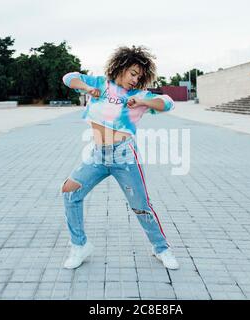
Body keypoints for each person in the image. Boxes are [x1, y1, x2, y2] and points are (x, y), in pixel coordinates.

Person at [61, 45, 179, 270]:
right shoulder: (99, 84)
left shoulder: (137, 96)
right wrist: (87, 88)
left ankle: (161, 248)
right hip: (97, 155)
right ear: (120, 67)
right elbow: (69, 78)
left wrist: (144, 102)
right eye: (133, 73)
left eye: (139, 77)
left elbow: (167, 103)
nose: (135, 80)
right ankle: (79, 246)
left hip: (124, 157)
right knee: (69, 191)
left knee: (141, 206)